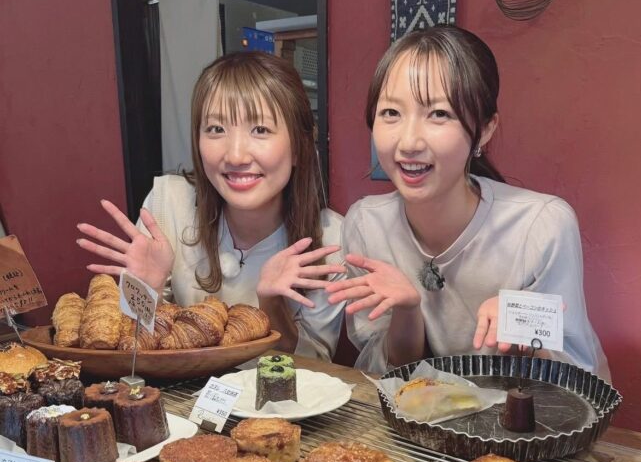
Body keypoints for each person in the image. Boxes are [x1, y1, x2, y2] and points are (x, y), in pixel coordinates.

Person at [327, 26, 610, 380]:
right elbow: (393, 374)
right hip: (422, 410)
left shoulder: (541, 226)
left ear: (485, 129)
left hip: (524, 411)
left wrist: (522, 328)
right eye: (391, 113)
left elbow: (573, 384)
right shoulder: (366, 225)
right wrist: (407, 311)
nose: (409, 142)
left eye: (439, 114)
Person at [77, 52, 345, 360]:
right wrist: (146, 291)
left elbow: (316, 370)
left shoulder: (330, 238)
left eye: (260, 130)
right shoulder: (168, 204)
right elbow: (135, 352)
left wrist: (272, 305)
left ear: (298, 146)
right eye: (216, 129)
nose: (235, 156)